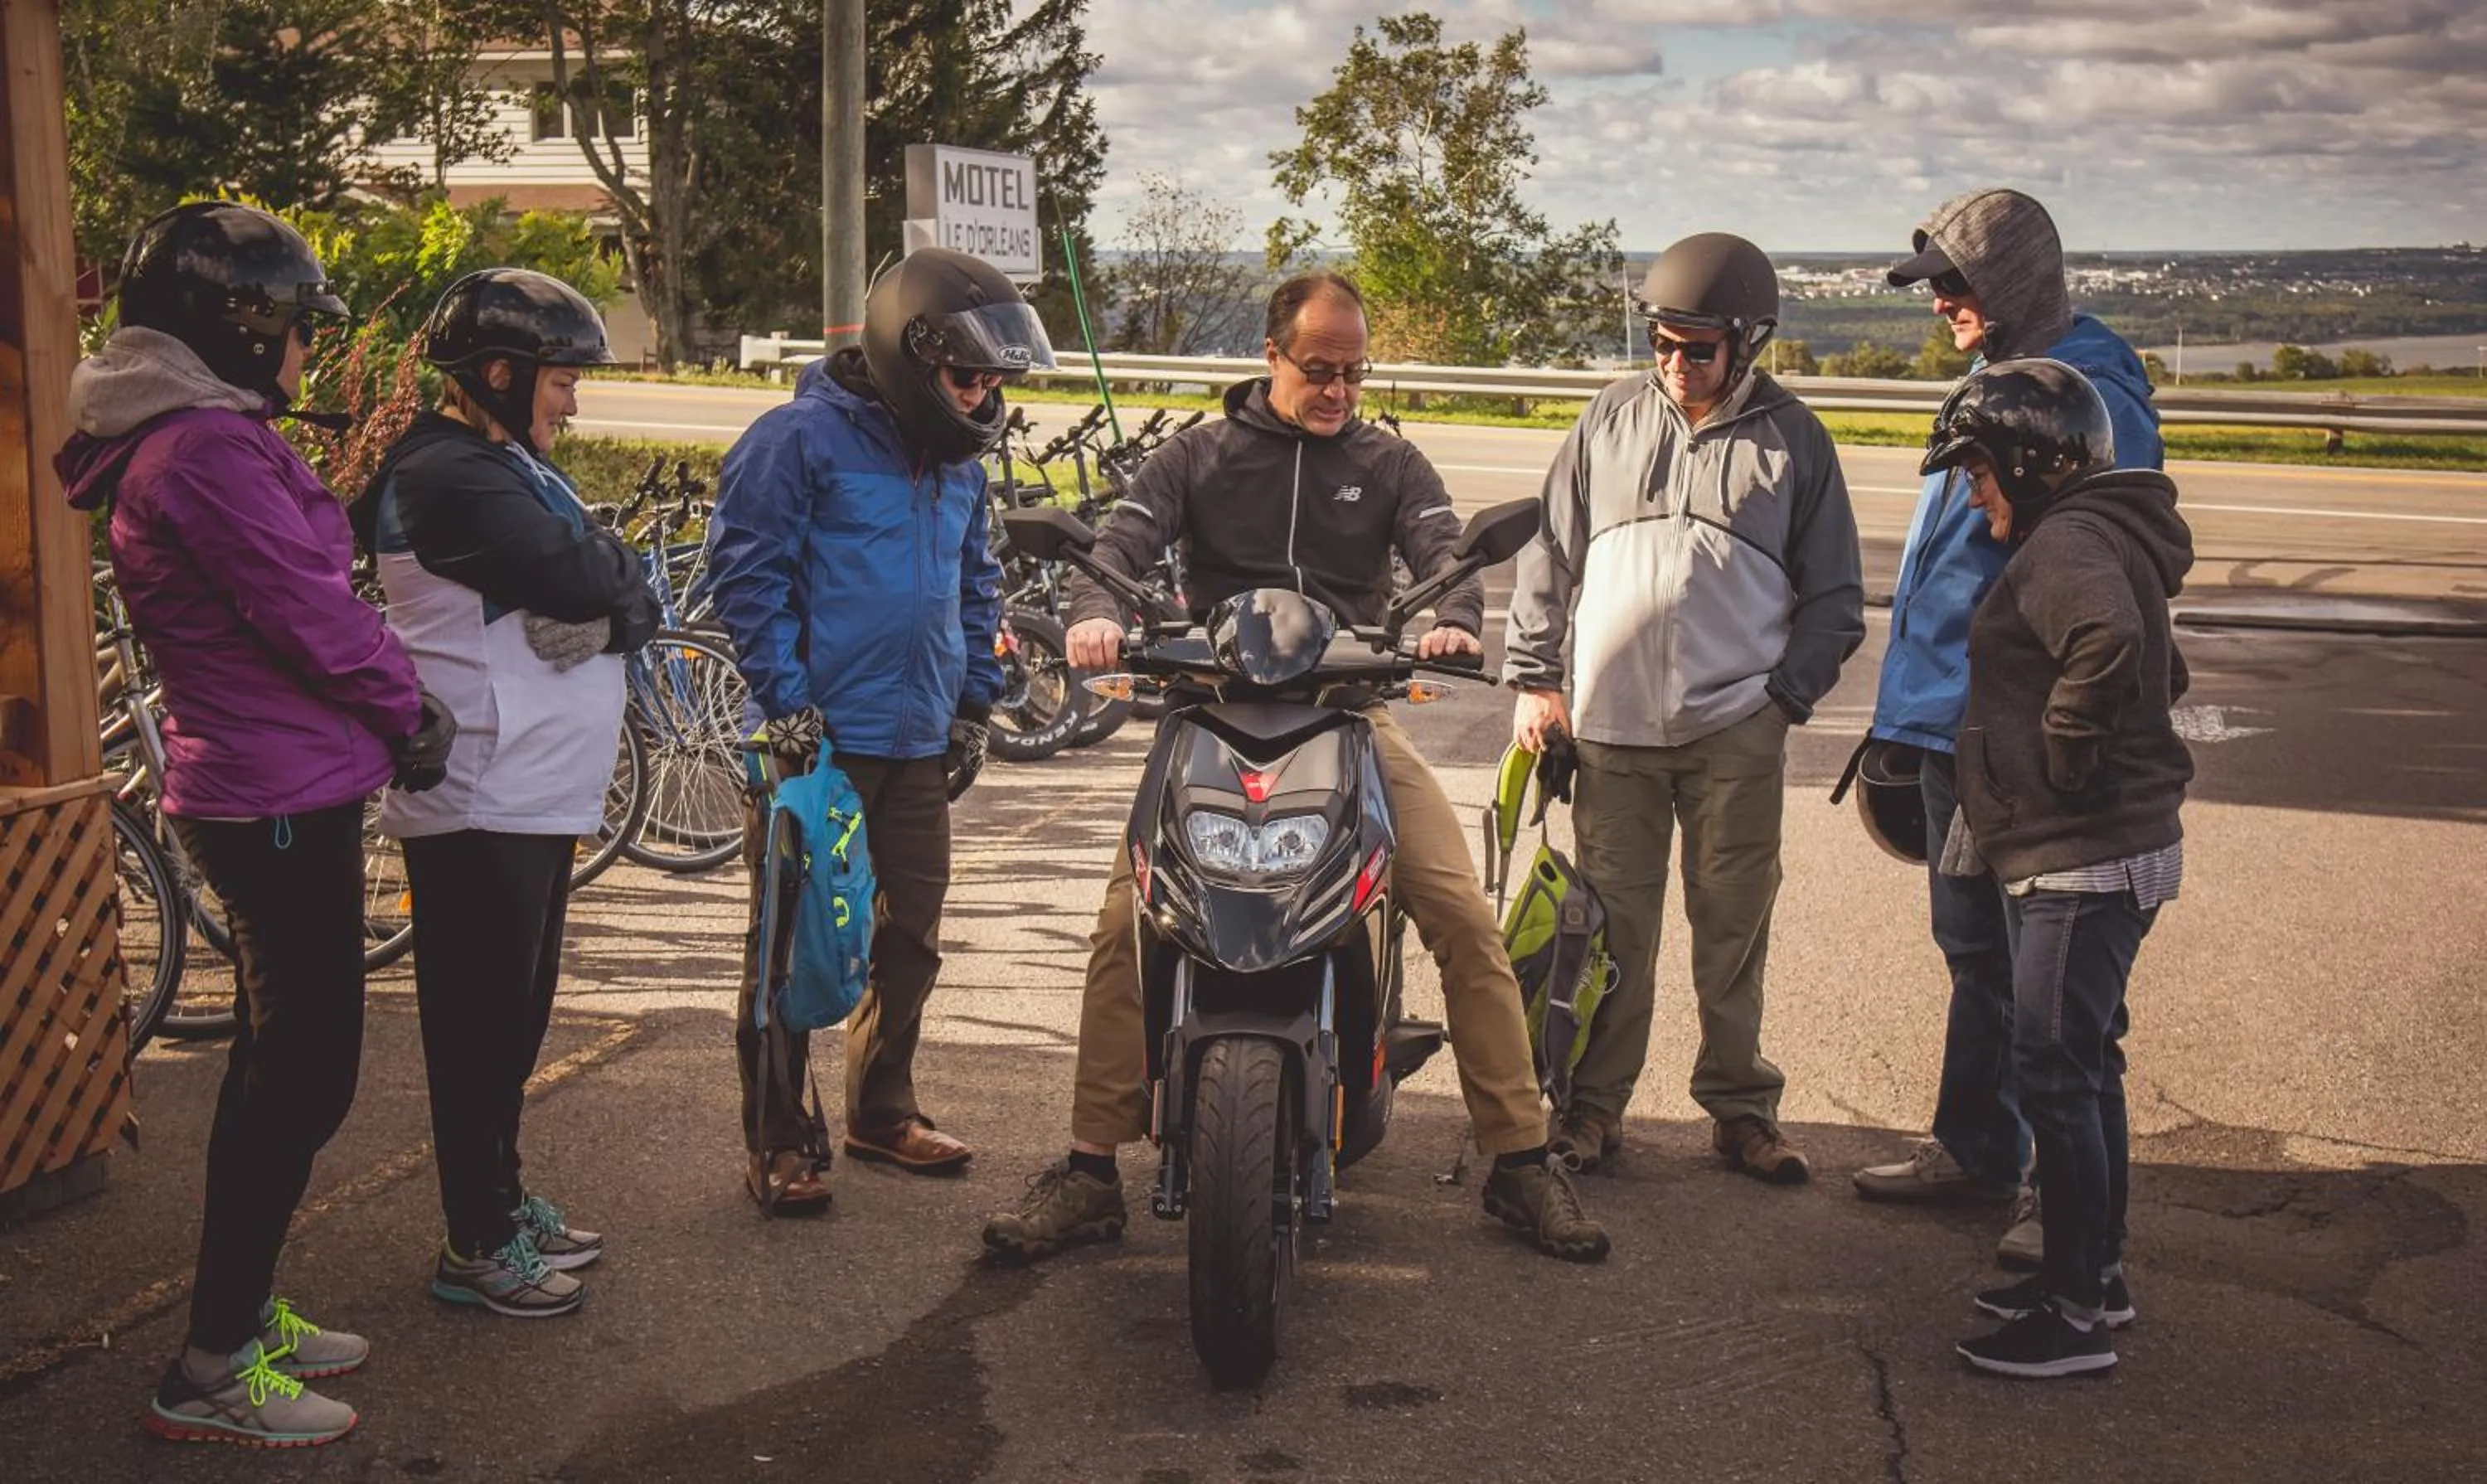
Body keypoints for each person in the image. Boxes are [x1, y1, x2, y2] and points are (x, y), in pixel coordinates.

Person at [981, 269, 1611, 1264]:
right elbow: (1121, 547)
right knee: (1121, 925)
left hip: (1347, 715)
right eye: (1320, 370)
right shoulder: (1197, 454)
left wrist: (1450, 624)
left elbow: (1446, 551)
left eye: (1355, 372)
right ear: (1271, 356)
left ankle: (1522, 1160)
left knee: (1460, 917)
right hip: (1205, 713)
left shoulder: (1389, 462)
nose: (1340, 391)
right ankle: (1090, 1169)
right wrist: (1095, 613)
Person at [57, 201, 453, 1447]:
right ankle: (212, 1364)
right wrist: (409, 704)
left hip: (281, 784)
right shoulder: (203, 454)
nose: (306, 358)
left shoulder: (205, 435)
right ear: (236, 329)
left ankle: (245, 1307)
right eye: (294, 332)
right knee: (304, 1069)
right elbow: (306, 610)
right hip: (271, 796)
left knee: (281, 1066)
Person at [1503, 233, 1864, 1183]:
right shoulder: (1609, 420)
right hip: (1613, 730)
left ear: (1747, 344)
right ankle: (1592, 1110)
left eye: (1696, 349)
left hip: (1733, 731)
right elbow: (1549, 555)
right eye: (1661, 344)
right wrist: (1539, 679)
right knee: (1610, 933)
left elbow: (1836, 599)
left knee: (1732, 924)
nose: (1674, 365)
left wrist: (1782, 701)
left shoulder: (1796, 439)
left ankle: (1742, 1110)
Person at [1855, 188, 2165, 1273]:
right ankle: (1978, 1144)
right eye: (1934, 285)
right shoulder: (1994, 381)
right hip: (1951, 728)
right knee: (1978, 952)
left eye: (1958, 281)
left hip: (2020, 740)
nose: (1941, 302)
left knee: (2058, 985)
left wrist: (2065, 736)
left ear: (2017, 281)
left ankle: (2056, 1193)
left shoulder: (2091, 389)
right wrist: (1904, 716)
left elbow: (2108, 575)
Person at [706, 247, 1046, 1211]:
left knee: (911, 937)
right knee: (791, 945)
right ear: (910, 351)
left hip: (918, 739)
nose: (983, 397)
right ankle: (778, 1138)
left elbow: (975, 588)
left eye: (994, 382)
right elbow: (749, 580)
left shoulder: (957, 465)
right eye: (967, 375)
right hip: (814, 742)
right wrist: (787, 704)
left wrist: (976, 701)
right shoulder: (797, 440)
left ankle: (881, 1110)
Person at [355, 269, 657, 1316]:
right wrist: (612, 583)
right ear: (498, 370)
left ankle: (501, 1193)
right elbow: (593, 578)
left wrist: (614, 583)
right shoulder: (446, 471)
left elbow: (622, 580)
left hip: (530, 791)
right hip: (481, 792)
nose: (572, 402)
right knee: (478, 1027)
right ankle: (474, 1242)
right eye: (561, 380)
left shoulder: (502, 460)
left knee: (517, 1020)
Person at [1920, 359, 2193, 1377]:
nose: (1974, 491)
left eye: (1982, 472)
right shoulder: (2098, 531)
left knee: (2056, 1073)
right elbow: (2164, 664)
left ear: (2033, 465)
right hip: (2107, 848)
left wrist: (2070, 748)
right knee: (2088, 1065)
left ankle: (2073, 1314)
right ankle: (2098, 1274)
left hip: (2081, 860)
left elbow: (2112, 640)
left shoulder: (2067, 540)